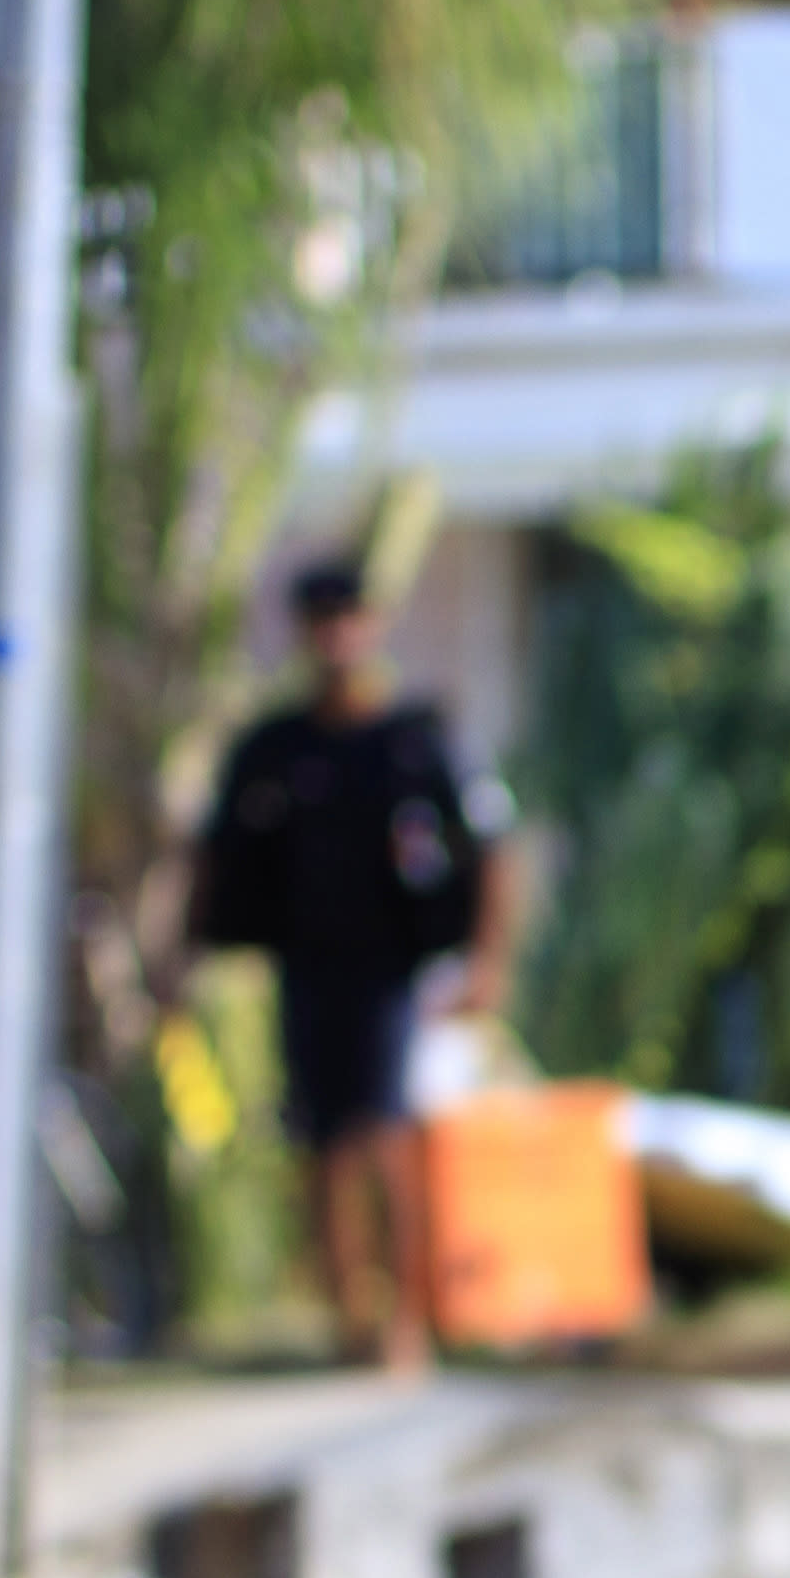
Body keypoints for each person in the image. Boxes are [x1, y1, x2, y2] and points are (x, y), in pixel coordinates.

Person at [178, 554, 518, 1378]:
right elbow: (216, 856)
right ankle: (348, 1324)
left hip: (392, 971)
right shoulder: (275, 746)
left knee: (388, 1134)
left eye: (349, 616)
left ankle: (407, 1322)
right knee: (323, 1143)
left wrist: (486, 959)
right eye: (321, 618)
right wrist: (182, 954)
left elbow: (490, 848)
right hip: (305, 967)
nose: (336, 635)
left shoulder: (414, 740)